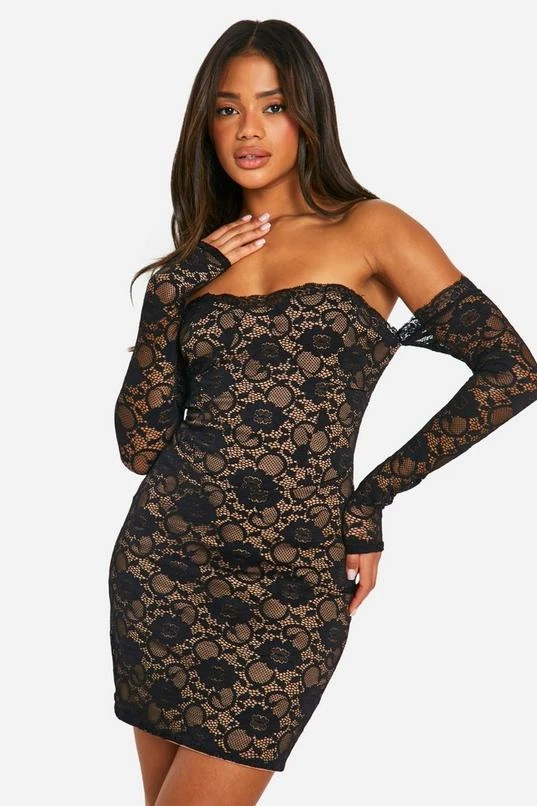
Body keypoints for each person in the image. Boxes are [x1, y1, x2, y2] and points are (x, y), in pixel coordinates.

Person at [108, 18, 537, 806]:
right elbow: (141, 449)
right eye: (227, 108)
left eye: (272, 106)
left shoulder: (372, 229)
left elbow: (511, 371)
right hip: (164, 566)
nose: (248, 129)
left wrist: (372, 497)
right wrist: (168, 294)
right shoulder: (197, 262)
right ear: (205, 123)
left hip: (293, 578)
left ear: (308, 115)